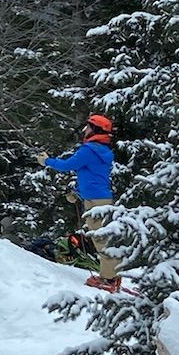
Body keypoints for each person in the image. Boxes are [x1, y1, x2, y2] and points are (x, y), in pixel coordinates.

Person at [38, 113, 122, 286]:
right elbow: (92, 177)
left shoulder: (90, 150)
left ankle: (108, 279)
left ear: (95, 130)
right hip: (99, 199)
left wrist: (47, 161)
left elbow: (67, 165)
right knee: (101, 239)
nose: (85, 130)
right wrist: (77, 193)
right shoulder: (102, 150)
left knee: (101, 240)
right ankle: (111, 276)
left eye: (89, 127)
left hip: (96, 202)